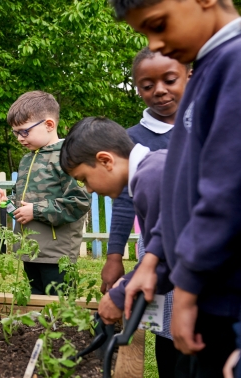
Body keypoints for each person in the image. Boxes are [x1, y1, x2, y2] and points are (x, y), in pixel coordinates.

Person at [110, 1, 241, 376]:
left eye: (159, 24)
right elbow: (184, 193)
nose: (157, 43)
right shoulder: (206, 71)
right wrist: (154, 259)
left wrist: (186, 289)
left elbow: (224, 194)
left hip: (226, 297)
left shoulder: (233, 66)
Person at [60, 117, 194, 377]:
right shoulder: (153, 170)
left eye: (85, 178)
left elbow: (170, 257)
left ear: (106, 160)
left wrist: (119, 295)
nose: (88, 189)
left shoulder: (151, 178)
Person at [98, 47, 191, 377]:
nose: (160, 91)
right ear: (137, 89)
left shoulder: (207, 126)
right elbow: (124, 201)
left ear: (188, 77)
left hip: (189, 249)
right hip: (156, 247)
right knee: (165, 327)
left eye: (169, 80)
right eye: (147, 85)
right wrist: (113, 255)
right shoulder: (131, 139)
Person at [0, 91, 90, 295]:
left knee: (59, 306)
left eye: (24, 131)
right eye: (15, 133)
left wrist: (35, 211)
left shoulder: (68, 157)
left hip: (57, 253)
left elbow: (79, 201)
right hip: (29, 250)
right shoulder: (27, 160)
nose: (20, 138)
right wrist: (8, 202)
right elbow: (25, 202)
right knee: (36, 305)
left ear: (49, 125)